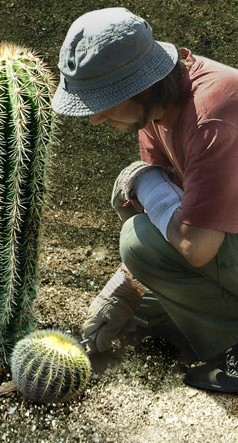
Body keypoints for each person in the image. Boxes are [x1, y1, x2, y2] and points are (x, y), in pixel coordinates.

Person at [51, 7, 238, 393]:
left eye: (102, 102)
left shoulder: (213, 115)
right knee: (145, 305)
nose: (94, 119)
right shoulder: (159, 107)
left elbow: (196, 245)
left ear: (142, 87)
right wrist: (127, 286)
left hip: (215, 237)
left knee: (139, 239)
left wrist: (149, 192)